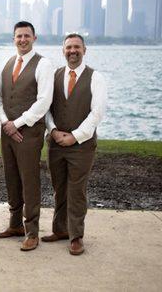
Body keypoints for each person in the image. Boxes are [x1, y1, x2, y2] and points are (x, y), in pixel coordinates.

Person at [42, 33, 107, 255]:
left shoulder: (95, 77)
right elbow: (46, 108)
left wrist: (75, 136)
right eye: (68, 47)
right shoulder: (55, 76)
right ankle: (60, 229)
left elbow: (97, 113)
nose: (73, 51)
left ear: (84, 50)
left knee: (76, 190)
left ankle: (76, 236)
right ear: (63, 51)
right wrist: (52, 130)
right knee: (59, 189)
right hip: (56, 143)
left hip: (82, 145)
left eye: (77, 47)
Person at [0, 21, 54, 251]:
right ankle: (14, 224)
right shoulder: (8, 64)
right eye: (19, 36)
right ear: (13, 39)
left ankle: (32, 232)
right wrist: (5, 122)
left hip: (29, 132)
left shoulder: (43, 65)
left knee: (29, 180)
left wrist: (17, 124)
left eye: (27, 36)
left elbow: (44, 101)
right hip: (7, 131)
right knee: (11, 178)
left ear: (34, 38)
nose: (22, 40)